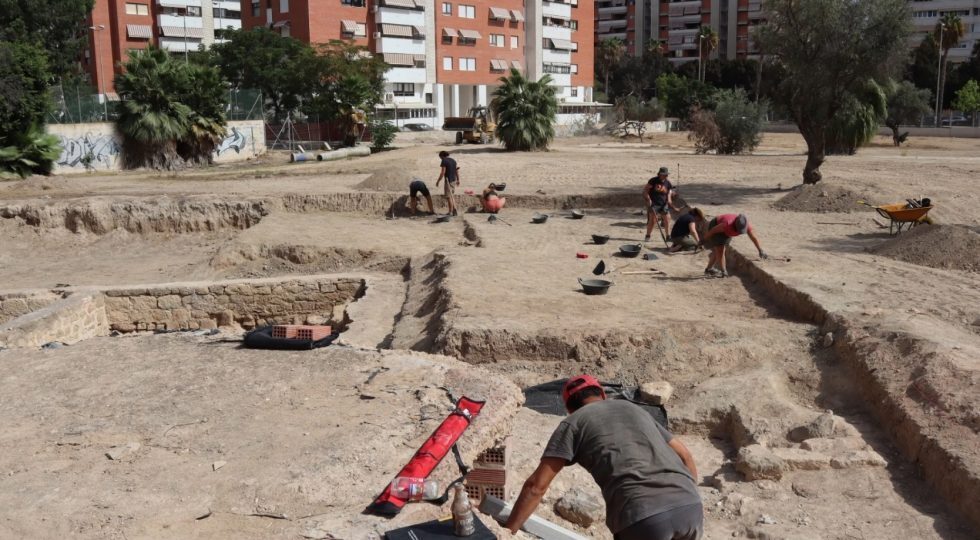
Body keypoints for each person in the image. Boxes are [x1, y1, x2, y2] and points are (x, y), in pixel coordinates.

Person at [506, 375, 703, 540]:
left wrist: (507, 532)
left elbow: (536, 487)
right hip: (690, 507)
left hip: (641, 517)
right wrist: (689, 494)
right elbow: (684, 454)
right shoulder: (635, 409)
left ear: (568, 407)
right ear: (602, 394)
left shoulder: (573, 422)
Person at [701, 213, 767, 277]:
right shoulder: (726, 225)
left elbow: (753, 237)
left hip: (727, 232)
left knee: (718, 251)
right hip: (716, 225)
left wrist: (760, 250)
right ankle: (723, 271)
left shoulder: (745, 225)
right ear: (735, 225)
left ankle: (708, 269)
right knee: (720, 250)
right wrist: (704, 239)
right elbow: (713, 230)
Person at [644, 167, 679, 242]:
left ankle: (668, 236)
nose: (666, 176)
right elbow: (645, 191)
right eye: (664, 174)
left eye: (666, 175)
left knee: (667, 219)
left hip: (663, 204)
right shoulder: (653, 180)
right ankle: (648, 236)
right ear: (659, 174)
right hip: (654, 204)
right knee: (652, 221)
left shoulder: (668, 183)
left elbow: (669, 195)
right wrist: (648, 199)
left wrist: (672, 204)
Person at [435, 150, 460, 216]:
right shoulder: (453, 160)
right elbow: (456, 171)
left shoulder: (444, 160)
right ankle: (453, 210)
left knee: (449, 197)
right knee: (451, 196)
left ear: (442, 156)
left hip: (448, 180)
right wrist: (458, 179)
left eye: (440, 157)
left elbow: (443, 172)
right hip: (454, 180)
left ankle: (450, 211)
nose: (440, 158)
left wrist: (438, 181)